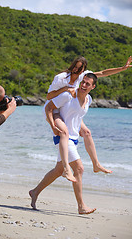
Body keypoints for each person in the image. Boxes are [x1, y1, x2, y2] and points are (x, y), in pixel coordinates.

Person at [45, 56, 132, 182]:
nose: (76, 70)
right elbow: (48, 96)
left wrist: (122, 68)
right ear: (72, 65)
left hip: (69, 110)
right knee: (64, 133)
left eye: (80, 68)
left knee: (87, 132)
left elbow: (103, 73)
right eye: (75, 66)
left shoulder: (83, 76)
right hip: (54, 110)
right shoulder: (61, 78)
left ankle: (96, 164)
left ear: (84, 70)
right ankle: (66, 169)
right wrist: (65, 89)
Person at [30, 73, 100, 214]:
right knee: (79, 169)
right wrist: (53, 125)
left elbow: (76, 116)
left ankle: (35, 191)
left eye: (88, 84)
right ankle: (81, 206)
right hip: (63, 137)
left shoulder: (88, 99)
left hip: (74, 138)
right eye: (83, 82)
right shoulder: (69, 95)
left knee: (58, 170)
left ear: (93, 87)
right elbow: (49, 107)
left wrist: (83, 130)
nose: (84, 85)